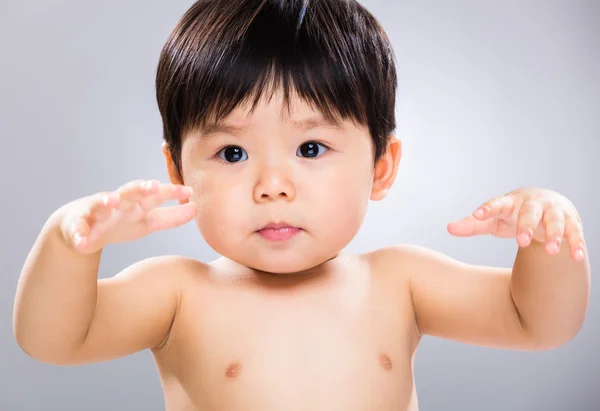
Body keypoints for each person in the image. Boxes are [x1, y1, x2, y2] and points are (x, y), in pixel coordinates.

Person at [13, 0, 590, 410]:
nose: (273, 185)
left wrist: (548, 235)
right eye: (233, 152)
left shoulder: (400, 281)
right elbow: (53, 338)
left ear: (381, 168)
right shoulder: (177, 294)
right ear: (177, 171)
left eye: (310, 147)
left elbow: (536, 321)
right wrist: (69, 244)